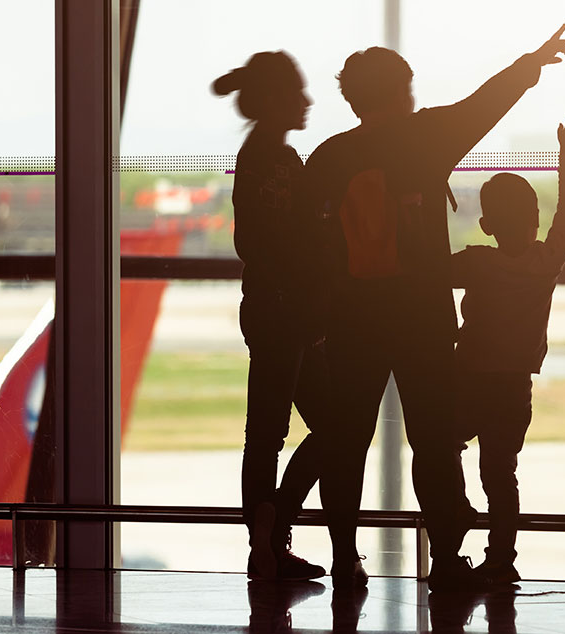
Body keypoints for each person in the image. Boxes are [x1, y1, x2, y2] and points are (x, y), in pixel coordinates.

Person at [304, 27, 565, 590]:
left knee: (347, 442)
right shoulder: (423, 138)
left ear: (353, 99)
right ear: (403, 91)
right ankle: (447, 560)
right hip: (421, 319)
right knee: (433, 442)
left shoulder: (328, 158)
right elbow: (486, 103)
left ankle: (345, 556)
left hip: (352, 320)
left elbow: (310, 245)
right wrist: (534, 62)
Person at [213, 51, 337, 582]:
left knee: (271, 431)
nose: (308, 102)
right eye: (299, 92)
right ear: (276, 99)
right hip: (287, 313)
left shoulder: (265, 157)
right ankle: (271, 533)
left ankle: (268, 534)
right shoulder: (277, 162)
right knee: (324, 427)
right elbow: (279, 241)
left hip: (275, 310)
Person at [452, 109, 565, 585]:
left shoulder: (475, 263)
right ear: (535, 220)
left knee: (444, 447)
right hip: (513, 388)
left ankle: (454, 514)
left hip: (467, 378)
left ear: (486, 225)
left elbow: (424, 273)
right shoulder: (544, 262)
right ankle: (501, 560)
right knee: (502, 476)